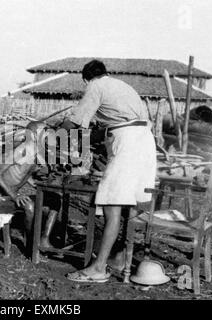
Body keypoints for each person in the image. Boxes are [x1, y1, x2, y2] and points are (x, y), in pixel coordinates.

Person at [62, 60, 156, 283]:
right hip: (145, 142)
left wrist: (57, 130)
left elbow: (75, 122)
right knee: (131, 202)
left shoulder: (94, 86)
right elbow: (113, 126)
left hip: (128, 144)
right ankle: (121, 258)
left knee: (112, 205)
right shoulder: (123, 86)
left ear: (86, 79)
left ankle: (98, 268)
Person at [0, 121, 61, 252]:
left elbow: (23, 174)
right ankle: (30, 246)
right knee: (30, 206)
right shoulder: (22, 150)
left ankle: (44, 239)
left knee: (55, 199)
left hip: (10, 197)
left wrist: (40, 185)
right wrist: (15, 196)